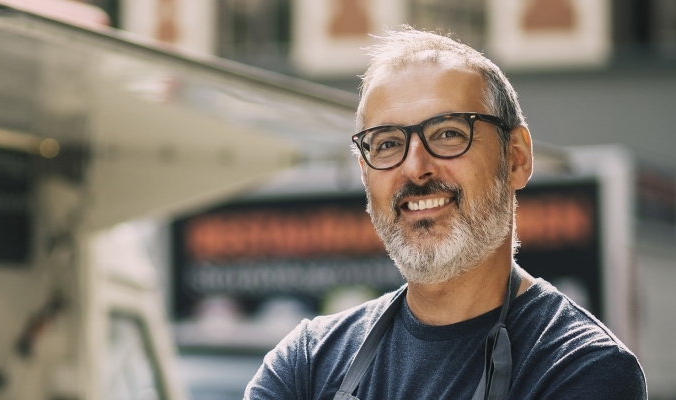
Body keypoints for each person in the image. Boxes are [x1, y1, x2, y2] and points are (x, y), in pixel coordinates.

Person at [243, 28, 646, 399]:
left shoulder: (581, 368)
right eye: (386, 143)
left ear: (517, 158)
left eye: (449, 133)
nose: (415, 168)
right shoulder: (307, 363)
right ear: (365, 174)